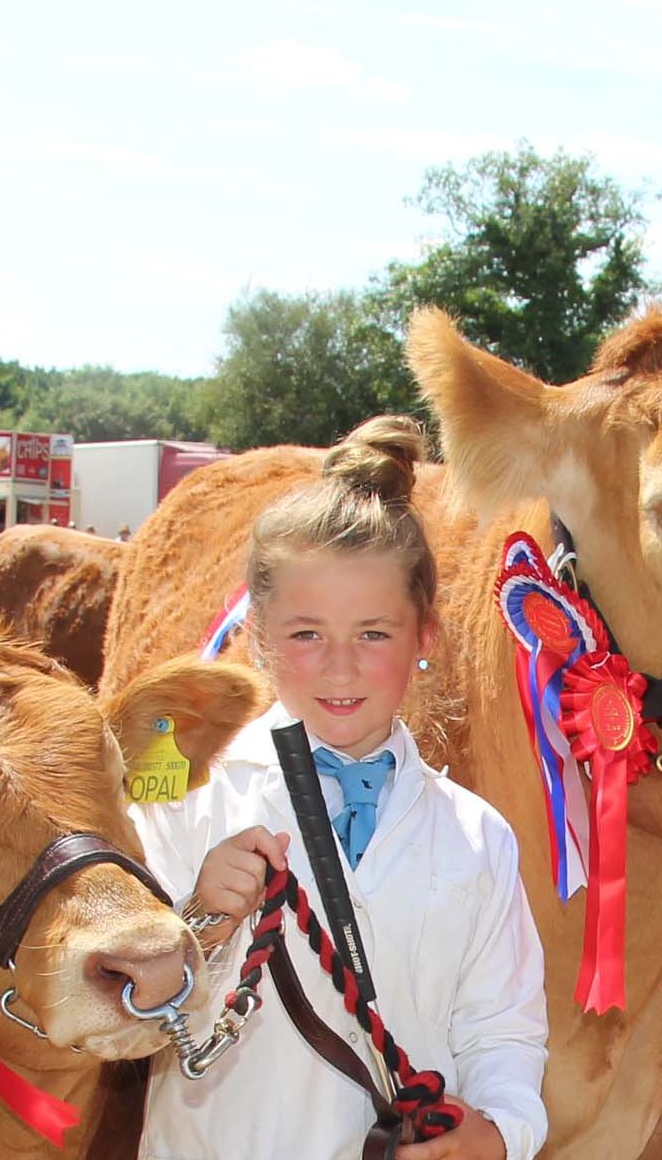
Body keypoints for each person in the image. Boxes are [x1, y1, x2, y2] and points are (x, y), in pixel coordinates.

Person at [137, 416, 546, 1160]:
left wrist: (499, 1133)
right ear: (259, 635)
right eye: (306, 634)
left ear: (424, 637)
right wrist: (198, 918)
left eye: (373, 633)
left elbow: (504, 1033)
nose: (339, 666)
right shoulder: (187, 802)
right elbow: (118, 1018)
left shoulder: (477, 835)